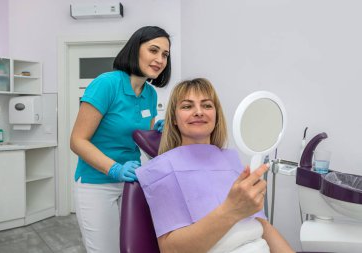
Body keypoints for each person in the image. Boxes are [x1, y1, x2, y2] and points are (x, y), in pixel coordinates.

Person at [136, 78, 294, 253]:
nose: (198, 112)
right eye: (187, 106)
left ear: (216, 115)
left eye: (207, 105)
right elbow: (170, 249)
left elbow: (262, 225)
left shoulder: (230, 160)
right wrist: (231, 210)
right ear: (173, 118)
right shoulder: (161, 170)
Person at [70, 26, 171, 253]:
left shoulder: (150, 93)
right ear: (135, 49)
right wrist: (114, 168)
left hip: (130, 183)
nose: (159, 59)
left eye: (164, 54)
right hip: (96, 183)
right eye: (153, 50)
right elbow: (77, 140)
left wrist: (156, 131)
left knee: (128, 247)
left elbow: (138, 135)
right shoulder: (107, 84)